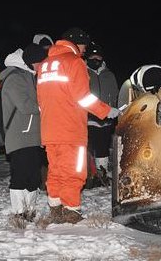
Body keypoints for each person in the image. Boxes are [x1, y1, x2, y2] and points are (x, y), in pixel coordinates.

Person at [36, 28, 120, 224]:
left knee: (55, 170)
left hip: (49, 129)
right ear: (75, 43)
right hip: (70, 129)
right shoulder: (75, 62)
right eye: (83, 45)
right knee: (74, 171)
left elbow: (40, 101)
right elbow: (83, 97)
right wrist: (107, 111)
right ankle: (71, 211)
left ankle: (55, 208)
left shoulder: (45, 65)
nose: (84, 50)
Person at [0, 43, 48, 222]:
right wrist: (48, 106)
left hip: (33, 135)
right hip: (19, 135)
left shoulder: (30, 76)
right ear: (30, 62)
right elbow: (25, 106)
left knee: (33, 176)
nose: (42, 66)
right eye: (40, 63)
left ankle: (30, 211)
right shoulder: (15, 78)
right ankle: (19, 213)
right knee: (20, 175)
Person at [84, 41, 119, 189]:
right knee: (88, 148)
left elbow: (115, 94)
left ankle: (102, 174)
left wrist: (113, 110)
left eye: (98, 57)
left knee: (103, 148)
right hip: (88, 118)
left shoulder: (109, 74)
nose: (96, 60)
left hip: (106, 118)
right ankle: (89, 175)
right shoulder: (83, 72)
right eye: (93, 57)